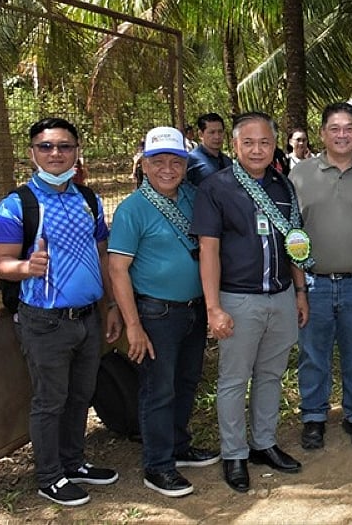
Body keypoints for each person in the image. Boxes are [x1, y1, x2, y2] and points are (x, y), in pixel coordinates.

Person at [0, 117, 118, 506]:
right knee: (50, 400)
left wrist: (110, 305)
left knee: (81, 394)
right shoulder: (17, 205)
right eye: (46, 147)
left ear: (76, 152)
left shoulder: (89, 200)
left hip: (87, 317)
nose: (56, 153)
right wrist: (26, 268)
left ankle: (74, 462)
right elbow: (0, 263)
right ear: (32, 152)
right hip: (43, 320)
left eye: (64, 146)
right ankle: (49, 476)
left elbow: (101, 254)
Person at [191, 112, 310, 493]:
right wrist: (213, 307)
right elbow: (208, 250)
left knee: (271, 376)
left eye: (264, 142)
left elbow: (295, 244)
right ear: (235, 145)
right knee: (233, 380)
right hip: (237, 300)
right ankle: (234, 454)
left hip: (280, 297)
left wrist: (300, 291)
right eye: (248, 143)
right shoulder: (216, 187)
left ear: (274, 144)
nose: (257, 149)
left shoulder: (282, 185)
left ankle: (263, 443)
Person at [107, 126, 220, 498]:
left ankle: (177, 445)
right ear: (145, 164)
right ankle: (157, 465)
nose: (168, 169)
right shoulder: (132, 209)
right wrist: (133, 325)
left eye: (176, 161)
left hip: (194, 309)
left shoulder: (194, 196)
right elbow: (118, 269)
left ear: (186, 164)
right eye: (159, 162)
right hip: (156, 314)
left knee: (186, 381)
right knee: (158, 389)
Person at [291, 103, 352, 452]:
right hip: (315, 284)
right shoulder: (299, 176)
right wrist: (298, 288)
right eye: (334, 128)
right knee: (313, 354)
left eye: (348, 128)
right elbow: (292, 235)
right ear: (323, 133)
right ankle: (313, 417)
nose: (342, 134)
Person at [186, 113, 231, 186]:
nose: (217, 137)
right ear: (201, 134)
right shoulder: (191, 160)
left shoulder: (227, 161)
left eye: (220, 132)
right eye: (212, 132)